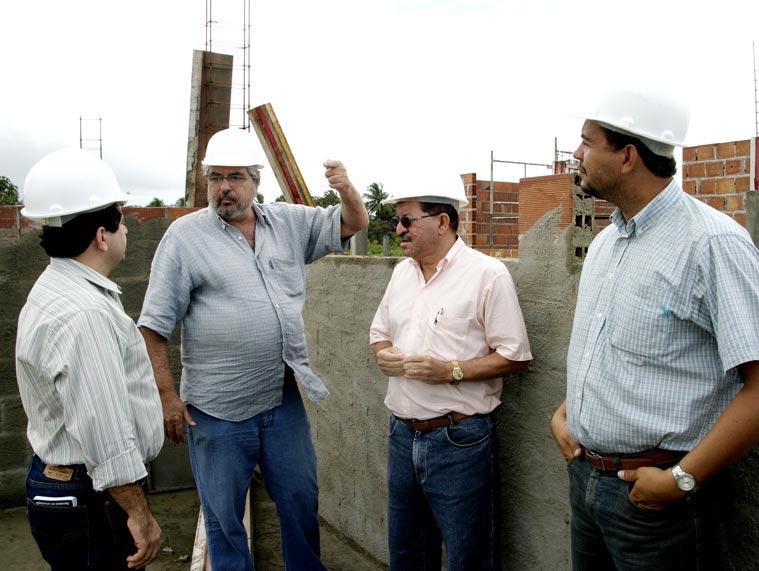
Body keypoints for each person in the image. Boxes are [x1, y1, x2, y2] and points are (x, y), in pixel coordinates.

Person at [550, 86, 759, 569]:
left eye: (586, 142)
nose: (576, 155)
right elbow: (614, 350)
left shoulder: (712, 243)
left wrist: (681, 479)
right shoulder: (606, 243)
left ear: (627, 157)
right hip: (586, 482)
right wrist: (567, 414)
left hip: (658, 505)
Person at [138, 127, 369, 571]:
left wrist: (345, 189)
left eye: (236, 177)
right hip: (217, 410)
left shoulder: (287, 223)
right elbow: (152, 326)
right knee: (224, 517)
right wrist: (166, 395)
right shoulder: (184, 238)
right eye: (216, 177)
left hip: (281, 399)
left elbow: (353, 223)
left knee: (300, 497)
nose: (224, 187)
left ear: (256, 181)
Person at [369, 178, 532, 570]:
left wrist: (451, 370)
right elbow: (379, 333)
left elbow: (516, 356)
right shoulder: (401, 273)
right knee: (407, 555)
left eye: (407, 220)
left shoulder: (487, 275)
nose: (398, 229)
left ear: (442, 222)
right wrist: (383, 354)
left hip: (458, 440)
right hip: (401, 434)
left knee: (468, 557)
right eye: (396, 220)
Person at [15, 148, 164, 570]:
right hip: (92, 496)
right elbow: (104, 431)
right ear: (102, 236)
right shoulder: (85, 314)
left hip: (67, 485)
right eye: (121, 219)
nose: (127, 229)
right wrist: (139, 513)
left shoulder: (55, 287)